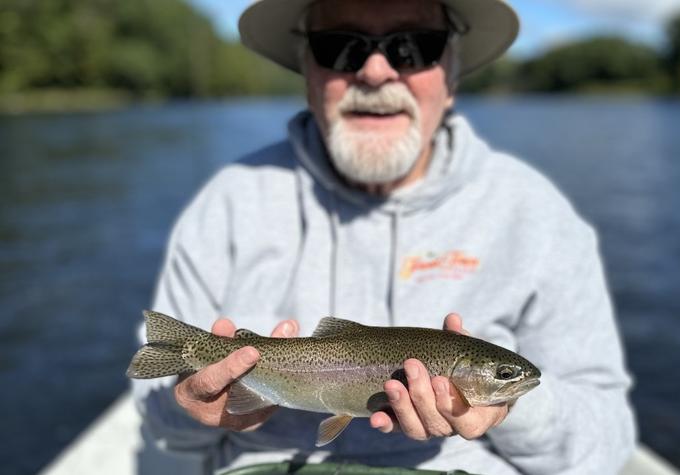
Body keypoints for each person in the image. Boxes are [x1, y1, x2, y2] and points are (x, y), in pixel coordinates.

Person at [131, 0, 636, 473]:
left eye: (413, 46)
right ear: (307, 70)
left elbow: (605, 444)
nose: (375, 71)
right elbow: (163, 433)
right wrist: (193, 405)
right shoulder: (226, 203)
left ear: (452, 74)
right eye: (340, 47)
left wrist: (511, 407)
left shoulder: (538, 213)